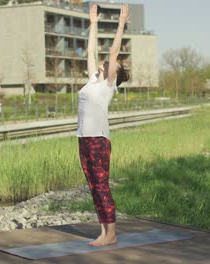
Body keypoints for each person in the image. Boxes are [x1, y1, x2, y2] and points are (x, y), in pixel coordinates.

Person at [76, 3, 130, 247]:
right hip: (83, 138)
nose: (106, 64)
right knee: (93, 186)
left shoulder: (108, 86)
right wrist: (93, 24)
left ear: (114, 74)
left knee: (102, 185)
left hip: (98, 139)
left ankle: (112, 233)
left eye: (111, 66)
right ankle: (103, 232)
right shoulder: (92, 81)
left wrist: (121, 23)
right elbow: (90, 53)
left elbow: (113, 52)